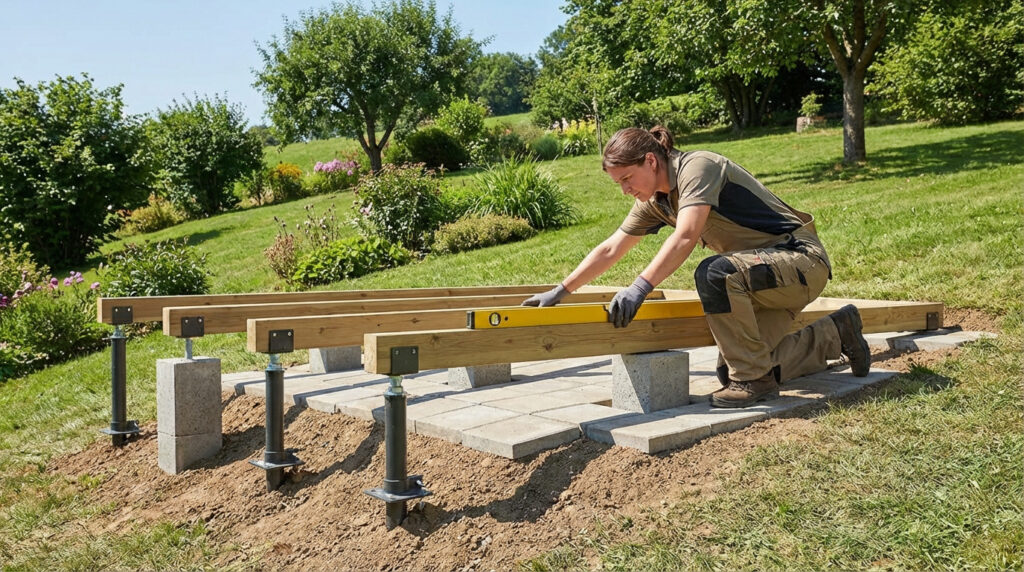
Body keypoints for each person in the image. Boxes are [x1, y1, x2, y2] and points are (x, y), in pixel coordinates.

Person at [522, 126, 870, 408]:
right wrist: (561, 291)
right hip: (759, 277)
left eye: (627, 178)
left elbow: (687, 235)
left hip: (799, 262)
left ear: (650, 161)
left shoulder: (698, 168)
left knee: (714, 274)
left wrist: (639, 287)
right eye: (619, 184)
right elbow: (612, 247)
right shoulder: (657, 202)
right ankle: (837, 333)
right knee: (737, 365)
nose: (625, 190)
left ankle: (752, 383)